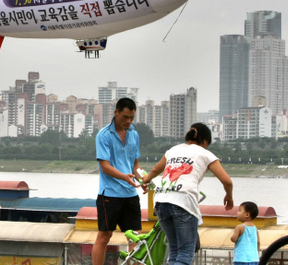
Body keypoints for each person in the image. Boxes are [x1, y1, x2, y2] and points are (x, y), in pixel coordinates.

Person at [142, 122, 234, 265]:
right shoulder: (206, 154)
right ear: (204, 141)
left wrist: (145, 180)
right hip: (182, 202)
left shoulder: (173, 150)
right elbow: (227, 181)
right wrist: (229, 196)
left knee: (174, 251)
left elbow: (155, 170)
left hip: (161, 201)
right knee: (185, 254)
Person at [92, 97, 148, 265]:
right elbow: (105, 166)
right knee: (104, 236)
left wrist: (144, 179)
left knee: (135, 237)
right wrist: (124, 177)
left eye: (132, 117)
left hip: (130, 194)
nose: (128, 121)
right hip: (109, 194)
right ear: (116, 113)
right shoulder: (103, 135)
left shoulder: (134, 134)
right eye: (125, 117)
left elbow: (135, 164)